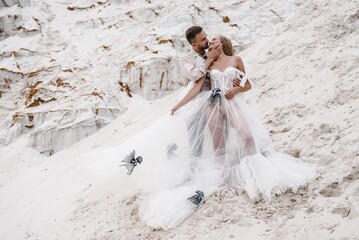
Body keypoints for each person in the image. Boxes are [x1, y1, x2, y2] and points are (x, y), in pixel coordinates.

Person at [86, 33, 316, 231]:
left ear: (223, 43)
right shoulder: (207, 64)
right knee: (218, 144)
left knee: (246, 135)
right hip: (213, 105)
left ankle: (257, 173)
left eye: (214, 39)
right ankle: (222, 175)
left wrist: (235, 90)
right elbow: (196, 87)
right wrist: (178, 106)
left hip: (232, 102)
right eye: (208, 40)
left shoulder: (236, 59)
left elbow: (248, 84)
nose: (210, 43)